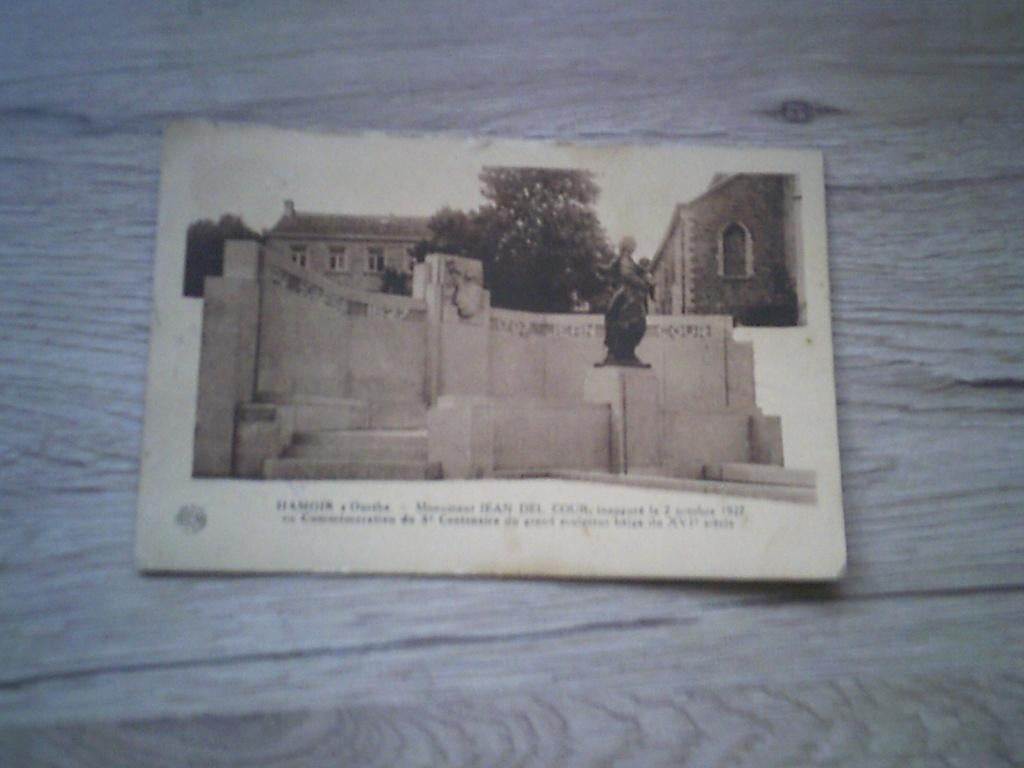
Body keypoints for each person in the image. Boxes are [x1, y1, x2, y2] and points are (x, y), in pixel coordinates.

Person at [597, 236, 653, 366]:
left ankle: (626, 351)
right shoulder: (620, 259)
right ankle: (613, 348)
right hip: (625, 292)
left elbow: (635, 272)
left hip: (631, 293)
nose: (632, 249)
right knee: (612, 313)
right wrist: (599, 268)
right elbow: (616, 271)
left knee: (634, 319)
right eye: (631, 246)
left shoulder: (630, 261)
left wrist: (645, 276)